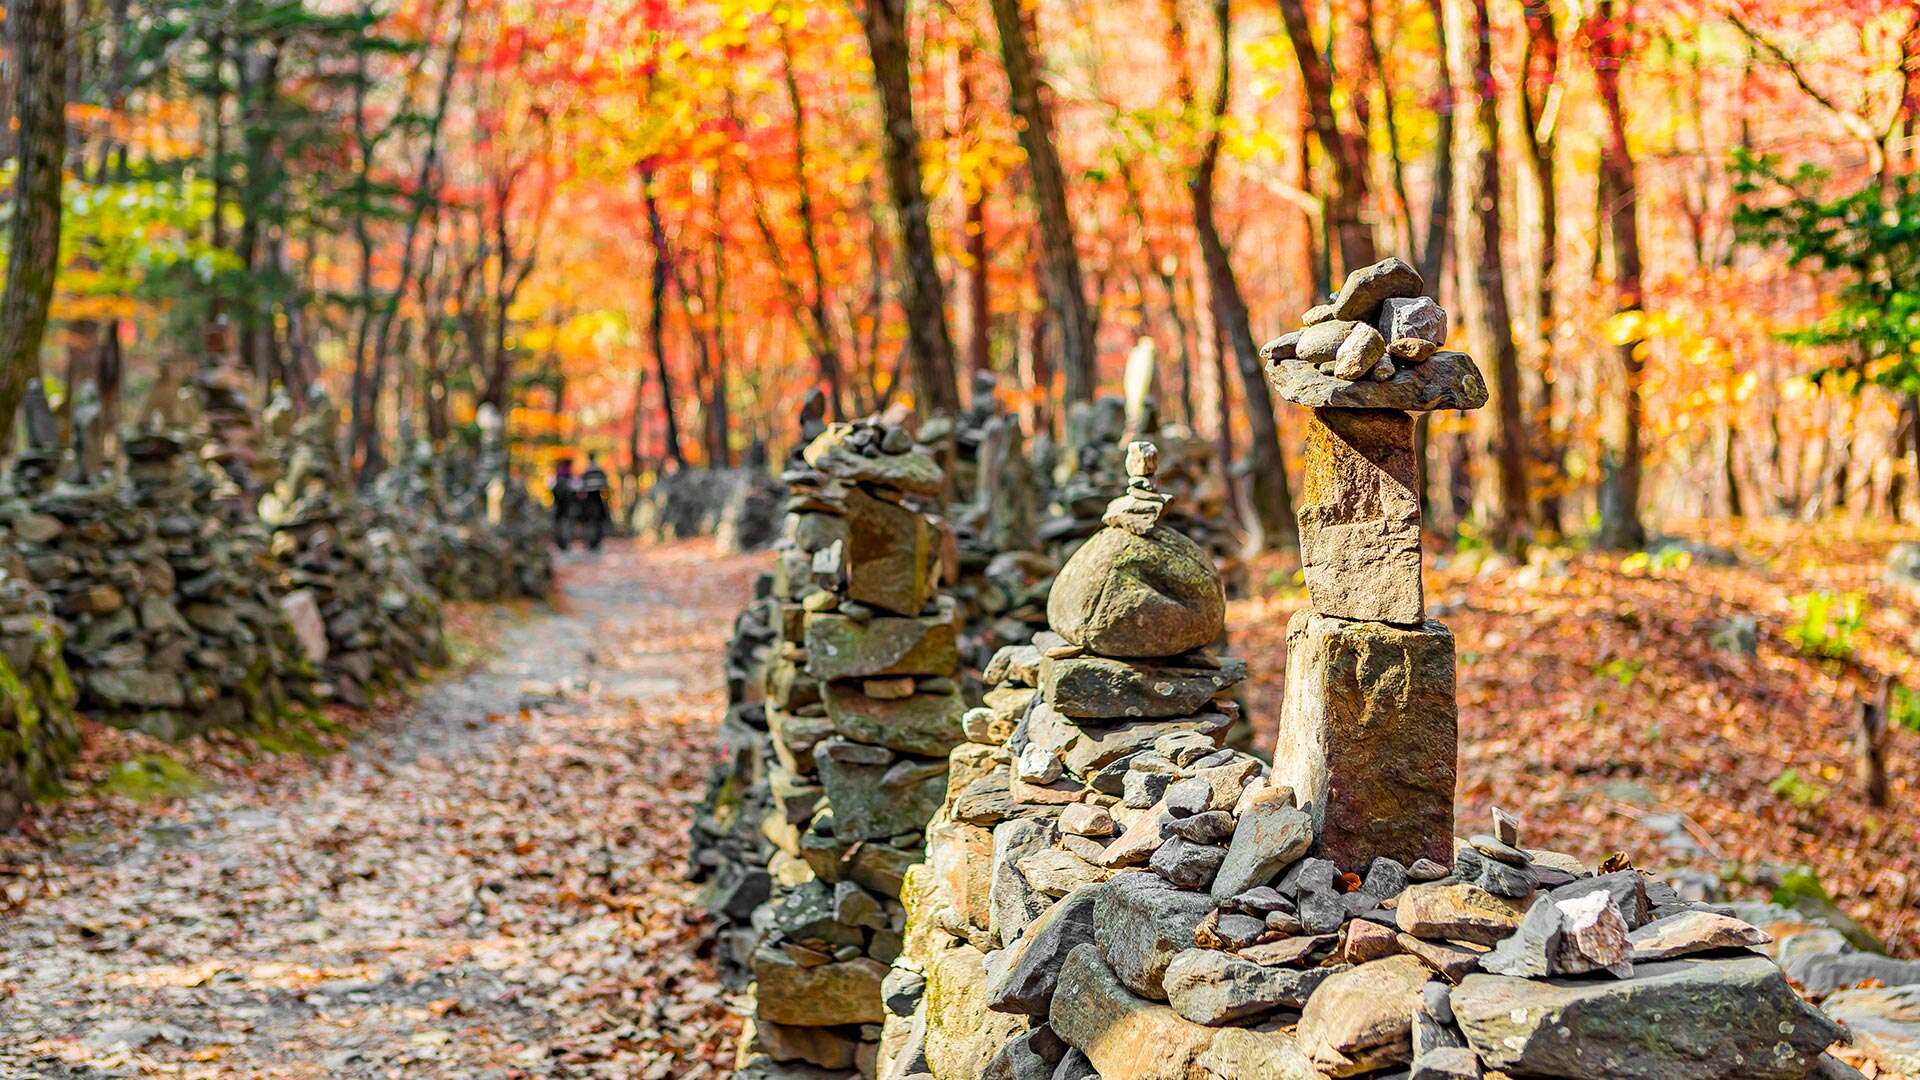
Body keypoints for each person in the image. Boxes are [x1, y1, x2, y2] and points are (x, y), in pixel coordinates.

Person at [575, 451, 609, 550]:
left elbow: (580, 487)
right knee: (599, 520)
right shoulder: (600, 471)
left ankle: (589, 541)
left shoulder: (585, 472)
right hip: (598, 499)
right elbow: (605, 485)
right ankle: (596, 541)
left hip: (588, 500)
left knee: (587, 520)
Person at [550, 456, 577, 546]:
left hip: (557, 504)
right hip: (566, 505)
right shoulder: (569, 475)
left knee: (558, 522)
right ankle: (565, 540)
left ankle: (559, 539)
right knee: (566, 521)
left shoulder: (557, 474)